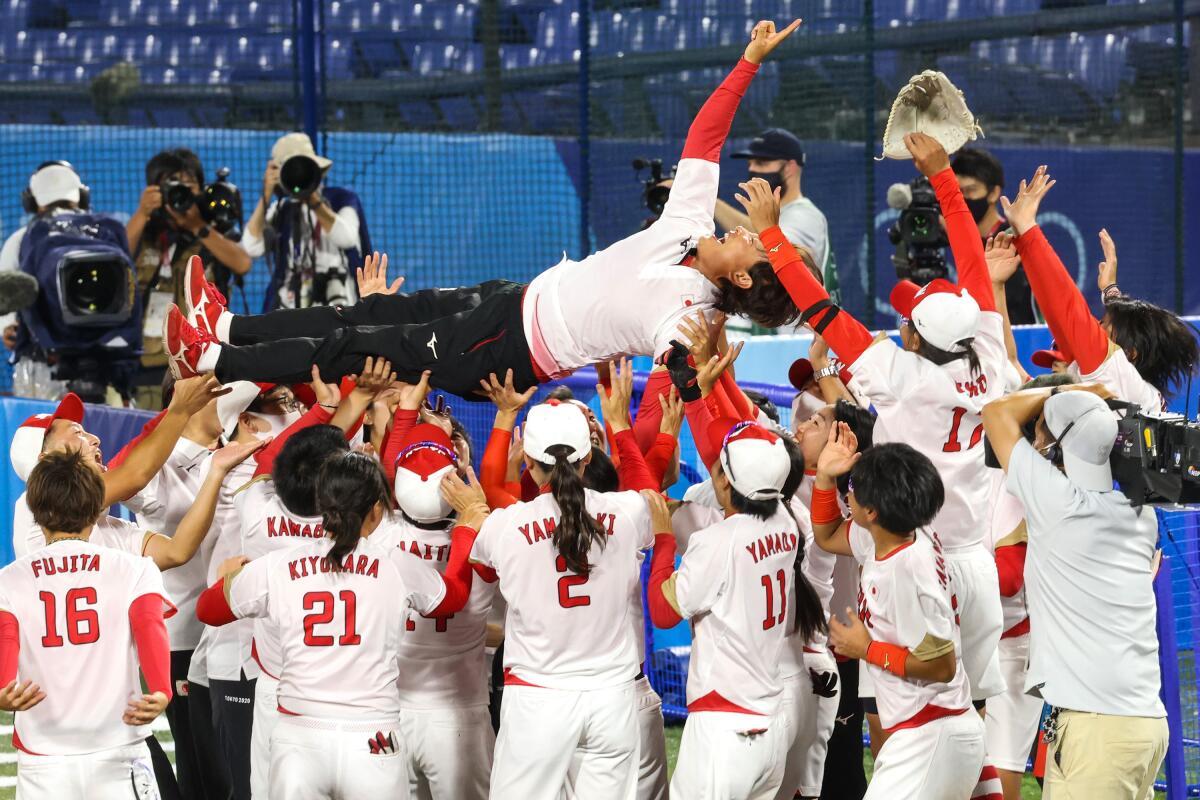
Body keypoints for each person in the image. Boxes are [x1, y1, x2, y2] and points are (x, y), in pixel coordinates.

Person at [163, 20, 804, 397]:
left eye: (762, 244)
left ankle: (213, 360)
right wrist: (747, 61)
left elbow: (680, 369)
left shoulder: (691, 314)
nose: (757, 232)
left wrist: (698, 376)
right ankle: (226, 329)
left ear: (744, 276)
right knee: (368, 311)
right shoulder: (691, 223)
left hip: (508, 351)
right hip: (515, 299)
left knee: (355, 344)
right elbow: (706, 138)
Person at [739, 133, 1006, 787]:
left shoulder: (898, 372)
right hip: (977, 563)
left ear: (916, 338)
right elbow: (975, 272)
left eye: (909, 320)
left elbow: (818, 306)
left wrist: (771, 235)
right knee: (967, 731)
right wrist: (943, 176)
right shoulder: (987, 355)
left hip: (913, 557)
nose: (902, 323)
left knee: (902, 731)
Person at [196, 451, 482, 800]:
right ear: (377, 509)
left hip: (299, 738)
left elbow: (208, 611)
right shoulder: (395, 565)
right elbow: (452, 599)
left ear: (321, 503)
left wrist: (227, 579)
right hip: (373, 739)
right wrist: (465, 531)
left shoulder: (278, 565)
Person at [982, 385, 1168, 799]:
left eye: (1043, 434)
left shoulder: (1057, 504)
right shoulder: (1142, 516)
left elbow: (995, 412)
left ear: (1054, 451)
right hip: (1144, 724)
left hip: (1097, 732)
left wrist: (1072, 389)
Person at [469, 400, 658, 799]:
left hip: (539, 700)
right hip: (612, 700)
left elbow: (478, 572)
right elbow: (649, 497)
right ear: (588, 456)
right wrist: (621, 424)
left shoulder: (505, 526)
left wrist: (472, 513)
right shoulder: (628, 511)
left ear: (530, 464)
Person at [647, 418, 827, 800]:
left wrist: (663, 536)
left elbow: (664, 612)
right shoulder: (786, 520)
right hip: (770, 724)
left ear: (726, 481)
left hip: (724, 729)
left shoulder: (718, 541)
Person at [812, 425, 985, 799]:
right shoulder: (900, 531)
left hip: (933, 735)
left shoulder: (908, 570)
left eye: (853, 490)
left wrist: (866, 649)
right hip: (928, 732)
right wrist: (825, 477)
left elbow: (942, 666)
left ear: (872, 511)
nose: (849, 493)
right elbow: (826, 535)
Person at [0, 450, 174, 799]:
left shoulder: (10, 578)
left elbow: (5, 638)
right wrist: (161, 690)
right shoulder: (135, 568)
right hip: (119, 743)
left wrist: (4, 687)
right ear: (96, 507)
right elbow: (150, 625)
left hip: (44, 753)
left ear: (36, 512)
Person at [1001, 165, 1199, 409]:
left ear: (1130, 353)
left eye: (1103, 325)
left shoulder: (1117, 375)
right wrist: (1110, 292)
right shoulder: (1131, 384)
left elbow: (1068, 310)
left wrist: (1028, 230)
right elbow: (1064, 318)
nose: (1094, 326)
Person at [372, 421, 499, 800]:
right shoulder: (487, 533)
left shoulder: (377, 535)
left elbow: (392, 469)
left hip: (390, 710)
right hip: (461, 713)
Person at [9, 375, 231, 559]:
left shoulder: (109, 529)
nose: (95, 439)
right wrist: (180, 410)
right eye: (77, 433)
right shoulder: (33, 505)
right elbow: (135, 475)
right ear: (46, 459)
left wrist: (215, 473)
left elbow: (176, 552)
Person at [126, 149, 251, 404]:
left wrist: (197, 226)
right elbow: (118, 258)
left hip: (200, 361)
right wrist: (142, 213)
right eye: (171, 184)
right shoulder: (145, 231)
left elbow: (242, 263)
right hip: (145, 362)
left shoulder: (213, 229)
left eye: (189, 184)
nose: (180, 191)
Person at [241, 133, 370, 311]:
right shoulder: (282, 208)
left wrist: (313, 200)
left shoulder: (342, 199)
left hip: (339, 304)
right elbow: (251, 246)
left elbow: (346, 238)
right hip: (289, 308)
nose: (298, 176)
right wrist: (267, 193)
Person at [716, 127, 837, 300]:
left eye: (761, 163)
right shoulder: (783, 216)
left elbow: (775, 253)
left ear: (789, 168)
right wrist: (709, 201)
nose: (752, 170)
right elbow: (761, 232)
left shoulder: (804, 216)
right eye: (750, 163)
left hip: (802, 326)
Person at [0, 161, 90, 350]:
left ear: (31, 202)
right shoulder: (20, 241)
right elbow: (4, 288)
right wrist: (7, 326)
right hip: (40, 350)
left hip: (90, 342)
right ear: (82, 197)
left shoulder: (96, 236)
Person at [951, 147, 1035, 324]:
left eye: (970, 190)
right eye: (958, 193)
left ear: (994, 193)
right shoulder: (953, 238)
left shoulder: (1012, 241)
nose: (963, 199)